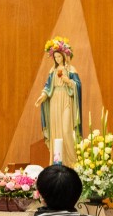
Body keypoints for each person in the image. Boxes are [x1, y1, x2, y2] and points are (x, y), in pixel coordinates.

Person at [34, 37, 82, 167]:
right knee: (56, 132)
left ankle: (72, 163)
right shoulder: (52, 71)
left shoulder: (71, 69)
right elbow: (48, 86)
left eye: (59, 56)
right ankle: (58, 163)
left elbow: (78, 86)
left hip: (66, 99)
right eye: (55, 57)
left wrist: (69, 81)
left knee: (66, 130)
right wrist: (43, 96)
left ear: (64, 56)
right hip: (54, 100)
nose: (57, 59)